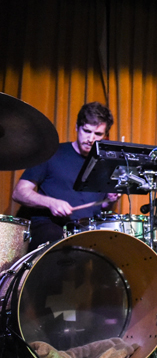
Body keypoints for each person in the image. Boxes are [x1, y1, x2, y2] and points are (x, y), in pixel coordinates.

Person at [12, 102, 120, 250]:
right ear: (77, 127)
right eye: (86, 131)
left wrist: (110, 201)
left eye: (98, 134)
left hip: (88, 230)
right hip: (51, 227)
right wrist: (51, 203)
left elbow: (101, 207)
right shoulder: (51, 153)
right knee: (55, 238)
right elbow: (19, 193)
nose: (91, 139)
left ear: (105, 135)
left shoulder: (106, 163)